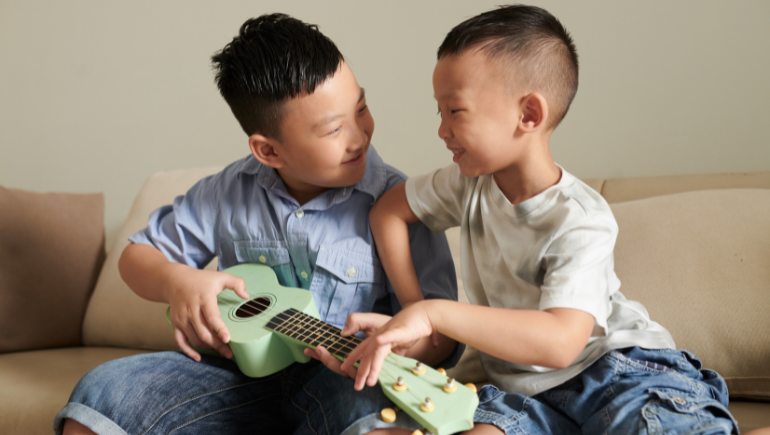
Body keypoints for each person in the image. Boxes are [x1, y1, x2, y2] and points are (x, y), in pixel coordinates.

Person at [339, 5, 767, 434]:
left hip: (616, 374)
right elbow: (388, 211)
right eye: (440, 113)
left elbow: (561, 343)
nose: (442, 130)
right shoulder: (468, 185)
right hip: (528, 396)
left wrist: (435, 314)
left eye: (455, 111)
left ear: (529, 115)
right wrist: (414, 312)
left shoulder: (581, 219)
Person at [54, 13, 460, 435]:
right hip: (231, 375)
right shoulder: (224, 192)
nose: (359, 136)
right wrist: (177, 282)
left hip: (343, 375)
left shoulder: (399, 204)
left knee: (380, 420)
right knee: (98, 396)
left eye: (361, 108)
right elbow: (136, 257)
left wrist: (400, 345)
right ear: (268, 150)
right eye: (335, 129)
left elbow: (441, 331)